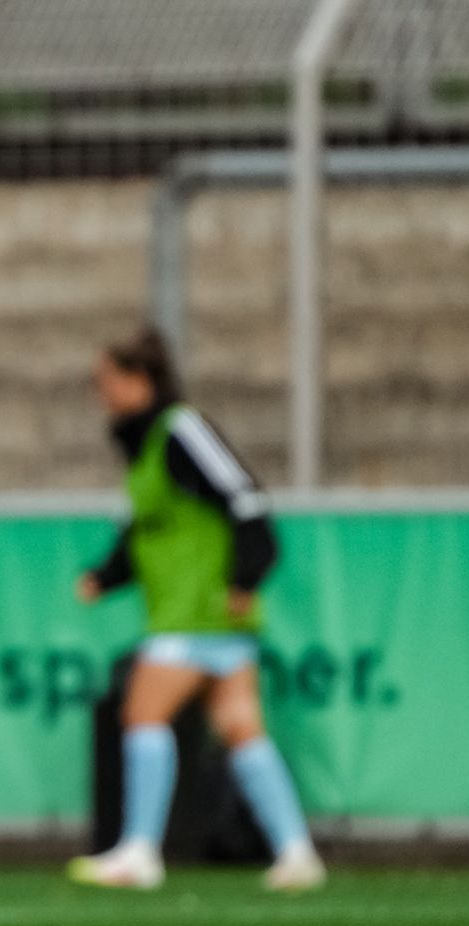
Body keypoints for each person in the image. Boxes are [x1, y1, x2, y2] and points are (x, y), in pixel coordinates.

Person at [67, 327, 325, 893]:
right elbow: (143, 534)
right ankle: (296, 851)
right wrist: (106, 577)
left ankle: (140, 850)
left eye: (107, 379)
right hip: (207, 614)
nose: (100, 392)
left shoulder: (180, 429)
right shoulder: (145, 450)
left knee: (143, 713)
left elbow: (245, 498)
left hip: (198, 611)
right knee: (240, 726)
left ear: (140, 380)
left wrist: (247, 574)